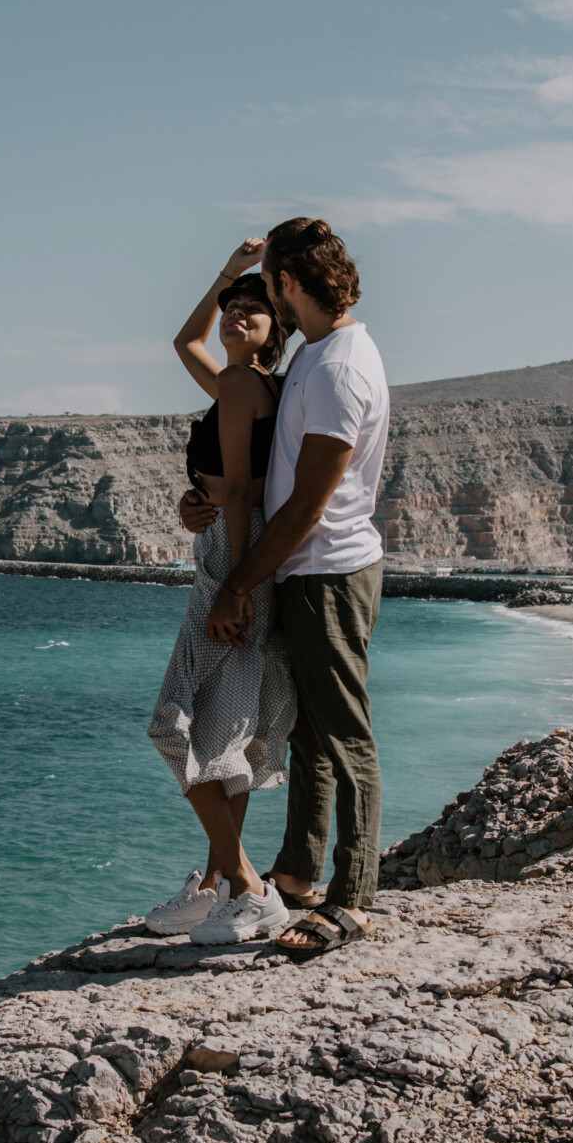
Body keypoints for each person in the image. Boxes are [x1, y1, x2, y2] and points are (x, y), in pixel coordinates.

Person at [183, 218, 390, 961]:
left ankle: (354, 896)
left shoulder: (338, 368)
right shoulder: (313, 353)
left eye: (269, 280)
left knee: (343, 732)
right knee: (309, 732)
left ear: (289, 285)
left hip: (328, 569)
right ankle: (298, 871)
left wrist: (237, 583)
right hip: (303, 569)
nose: (263, 291)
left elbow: (309, 502)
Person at [145, 240, 297, 946]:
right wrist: (228, 275)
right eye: (231, 310)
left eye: (252, 314)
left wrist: (233, 584)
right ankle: (213, 886)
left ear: (275, 335)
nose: (235, 316)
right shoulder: (248, 385)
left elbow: (237, 488)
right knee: (227, 732)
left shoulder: (242, 385)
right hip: (243, 547)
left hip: (232, 556)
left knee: (173, 723)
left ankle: (246, 885)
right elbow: (184, 339)